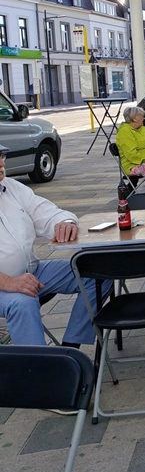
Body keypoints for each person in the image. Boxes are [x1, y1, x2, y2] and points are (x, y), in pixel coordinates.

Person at [0, 144, 103, 348]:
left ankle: (70, 348)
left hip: (32, 272)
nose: (1, 164)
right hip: (5, 284)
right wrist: (7, 282)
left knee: (98, 271)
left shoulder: (11, 187)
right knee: (23, 303)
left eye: (1, 156)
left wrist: (64, 222)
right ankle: (39, 366)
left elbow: (47, 213)